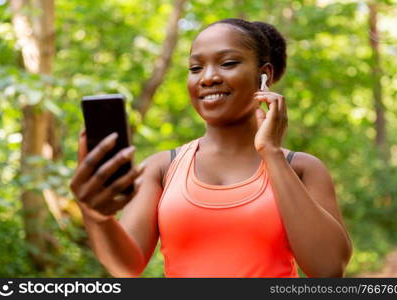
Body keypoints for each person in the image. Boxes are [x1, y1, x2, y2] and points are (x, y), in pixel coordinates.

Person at [70, 18, 352, 278]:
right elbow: (127, 267)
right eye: (195, 68)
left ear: (264, 74)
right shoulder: (162, 167)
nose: (207, 77)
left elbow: (328, 269)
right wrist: (96, 216)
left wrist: (272, 154)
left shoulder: (301, 168)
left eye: (227, 63)